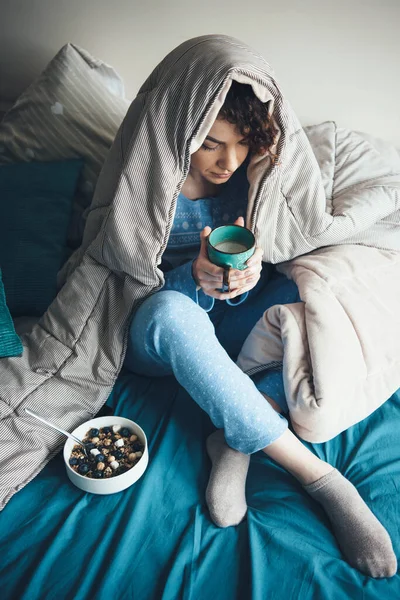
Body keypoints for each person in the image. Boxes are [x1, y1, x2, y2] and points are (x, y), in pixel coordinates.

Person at [123, 82, 396, 579]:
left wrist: (245, 279)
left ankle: (234, 440)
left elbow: (281, 247)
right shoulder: (145, 186)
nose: (228, 159)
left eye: (242, 143)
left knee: (309, 289)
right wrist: (195, 278)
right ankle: (319, 477)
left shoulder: (251, 183)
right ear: (184, 134)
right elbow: (122, 284)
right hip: (161, 330)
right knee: (170, 312)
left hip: (231, 322)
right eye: (211, 144)